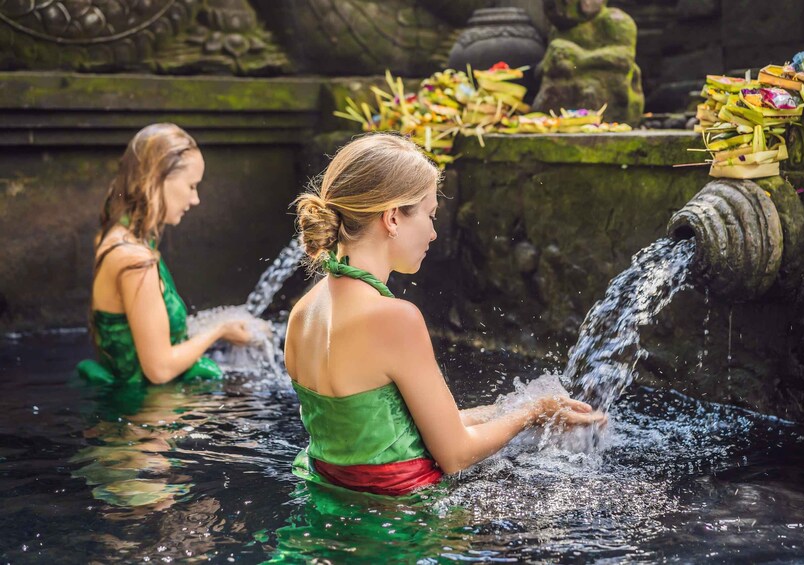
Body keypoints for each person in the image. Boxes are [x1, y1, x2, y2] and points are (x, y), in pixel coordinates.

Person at [284, 133, 606, 496]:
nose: (434, 233)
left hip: (324, 506)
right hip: (401, 526)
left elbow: (394, 430)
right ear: (392, 218)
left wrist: (526, 406)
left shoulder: (304, 311)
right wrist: (531, 413)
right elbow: (456, 454)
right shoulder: (394, 318)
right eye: (429, 214)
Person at [77, 123, 252, 386]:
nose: (196, 199)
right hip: (150, 420)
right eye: (191, 186)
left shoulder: (114, 236)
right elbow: (159, 369)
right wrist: (220, 330)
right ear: (157, 179)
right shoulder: (135, 260)